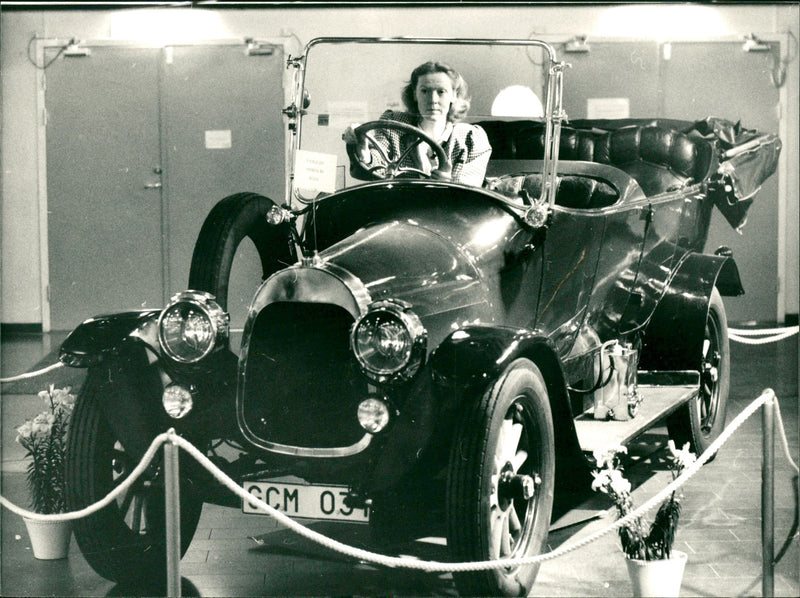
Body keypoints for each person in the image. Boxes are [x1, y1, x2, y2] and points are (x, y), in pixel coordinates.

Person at [344, 61, 492, 186]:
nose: (433, 99)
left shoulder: (471, 138)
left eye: (441, 92)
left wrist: (450, 184)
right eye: (424, 91)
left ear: (454, 95)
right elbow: (376, 169)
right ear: (415, 94)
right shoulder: (394, 124)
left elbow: (471, 193)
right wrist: (362, 146)